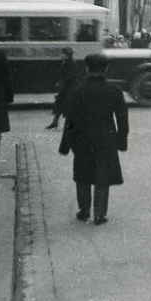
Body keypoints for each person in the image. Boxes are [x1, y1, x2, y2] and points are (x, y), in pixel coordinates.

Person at [59, 54, 129, 226]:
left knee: (82, 175)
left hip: (82, 140)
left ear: (87, 69)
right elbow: (122, 118)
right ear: (105, 69)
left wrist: (65, 145)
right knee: (102, 176)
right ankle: (99, 214)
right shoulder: (114, 90)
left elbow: (70, 120)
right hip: (106, 139)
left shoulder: (78, 90)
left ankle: (83, 211)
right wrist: (121, 141)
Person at [46, 47, 78, 129]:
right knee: (60, 105)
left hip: (69, 88)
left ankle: (65, 123)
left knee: (66, 106)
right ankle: (55, 122)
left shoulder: (70, 63)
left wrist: (62, 82)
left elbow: (70, 76)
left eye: (62, 54)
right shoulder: (67, 62)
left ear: (67, 55)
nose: (61, 55)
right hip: (66, 88)